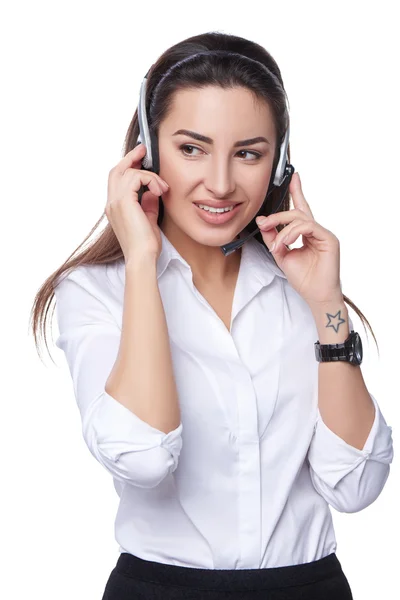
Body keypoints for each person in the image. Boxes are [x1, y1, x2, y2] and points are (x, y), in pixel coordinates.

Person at [31, 31, 394, 599]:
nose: (221, 183)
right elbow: (143, 457)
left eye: (248, 153)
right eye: (192, 148)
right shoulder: (97, 292)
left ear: (279, 162)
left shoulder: (303, 288)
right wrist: (142, 261)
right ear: (148, 152)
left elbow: (356, 486)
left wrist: (327, 306)